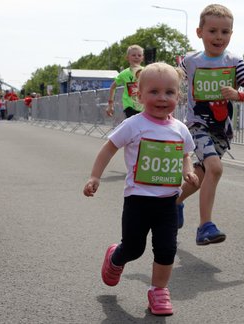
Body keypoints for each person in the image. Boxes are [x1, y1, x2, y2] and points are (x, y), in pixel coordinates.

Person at [83, 62, 198, 316]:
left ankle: (159, 291)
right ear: (139, 95)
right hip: (137, 200)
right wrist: (95, 176)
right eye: (154, 91)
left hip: (168, 201)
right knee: (134, 248)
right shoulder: (134, 124)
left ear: (178, 97)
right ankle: (116, 257)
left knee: (167, 248)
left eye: (169, 92)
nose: (162, 98)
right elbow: (109, 148)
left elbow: (185, 154)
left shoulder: (180, 129)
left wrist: (187, 172)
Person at [175, 4, 244, 245]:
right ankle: (205, 226)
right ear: (199, 32)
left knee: (202, 175)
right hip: (197, 125)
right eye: (212, 31)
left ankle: (174, 204)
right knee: (214, 168)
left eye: (225, 32)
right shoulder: (190, 62)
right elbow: (172, 79)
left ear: (231, 35)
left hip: (222, 130)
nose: (218, 37)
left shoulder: (235, 61)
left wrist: (238, 94)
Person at [106, 45, 144, 118]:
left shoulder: (147, 71)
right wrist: (110, 105)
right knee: (133, 125)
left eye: (139, 55)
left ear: (142, 58)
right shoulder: (124, 74)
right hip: (129, 106)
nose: (136, 57)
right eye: (133, 55)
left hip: (144, 106)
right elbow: (113, 87)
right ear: (127, 58)